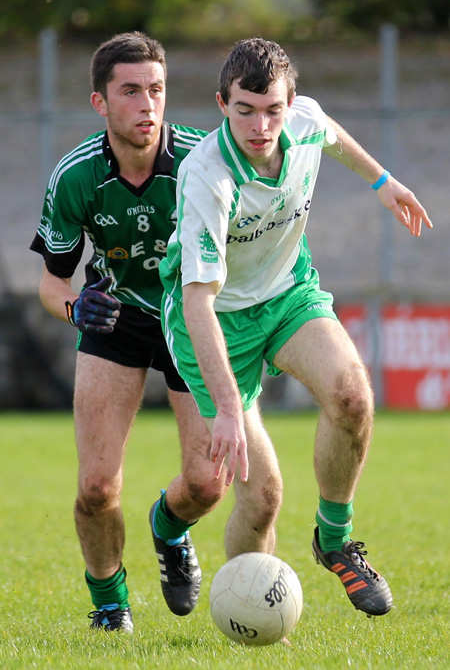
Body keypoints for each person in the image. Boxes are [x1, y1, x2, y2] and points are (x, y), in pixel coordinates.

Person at [152, 37, 433, 618]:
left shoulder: (301, 120)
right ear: (222, 105)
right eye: (245, 110)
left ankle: (334, 542)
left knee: (352, 395)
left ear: (291, 101)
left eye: (273, 109)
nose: (261, 125)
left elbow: (330, 134)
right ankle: (244, 609)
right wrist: (228, 408)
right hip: (215, 320)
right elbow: (198, 302)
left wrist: (385, 184)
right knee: (261, 498)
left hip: (286, 293)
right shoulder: (207, 177)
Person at [30, 32, 215, 631]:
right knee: (95, 488)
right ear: (100, 103)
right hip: (115, 319)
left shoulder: (201, 162)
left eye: (156, 90)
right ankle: (110, 606)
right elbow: (52, 284)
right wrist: (74, 309)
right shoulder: (75, 177)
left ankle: (168, 527)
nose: (147, 105)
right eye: (130, 91)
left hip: (192, 319)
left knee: (208, 483)